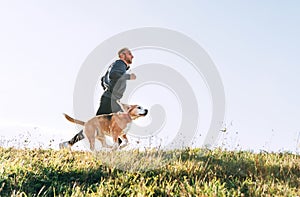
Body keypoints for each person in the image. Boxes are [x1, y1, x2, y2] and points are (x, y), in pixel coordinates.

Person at [59, 47, 136, 149]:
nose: (132, 56)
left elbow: (103, 80)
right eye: (129, 54)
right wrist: (128, 77)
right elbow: (113, 75)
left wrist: (108, 88)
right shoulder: (120, 64)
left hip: (111, 99)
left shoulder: (116, 66)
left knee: (119, 124)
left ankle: (114, 149)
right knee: (94, 125)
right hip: (110, 100)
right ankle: (68, 144)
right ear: (122, 55)